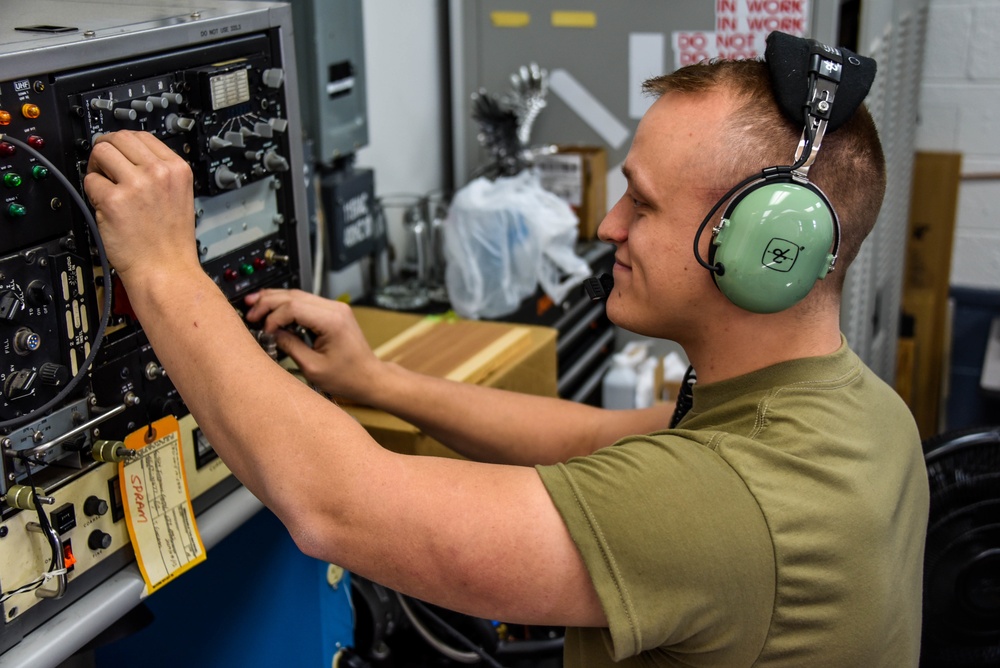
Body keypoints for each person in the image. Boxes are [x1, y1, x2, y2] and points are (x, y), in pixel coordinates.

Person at [83, 53, 928, 666]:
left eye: (645, 201)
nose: (609, 225)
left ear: (765, 251)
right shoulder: (854, 407)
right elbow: (596, 443)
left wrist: (161, 269)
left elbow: (336, 509)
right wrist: (377, 381)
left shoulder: (728, 507)